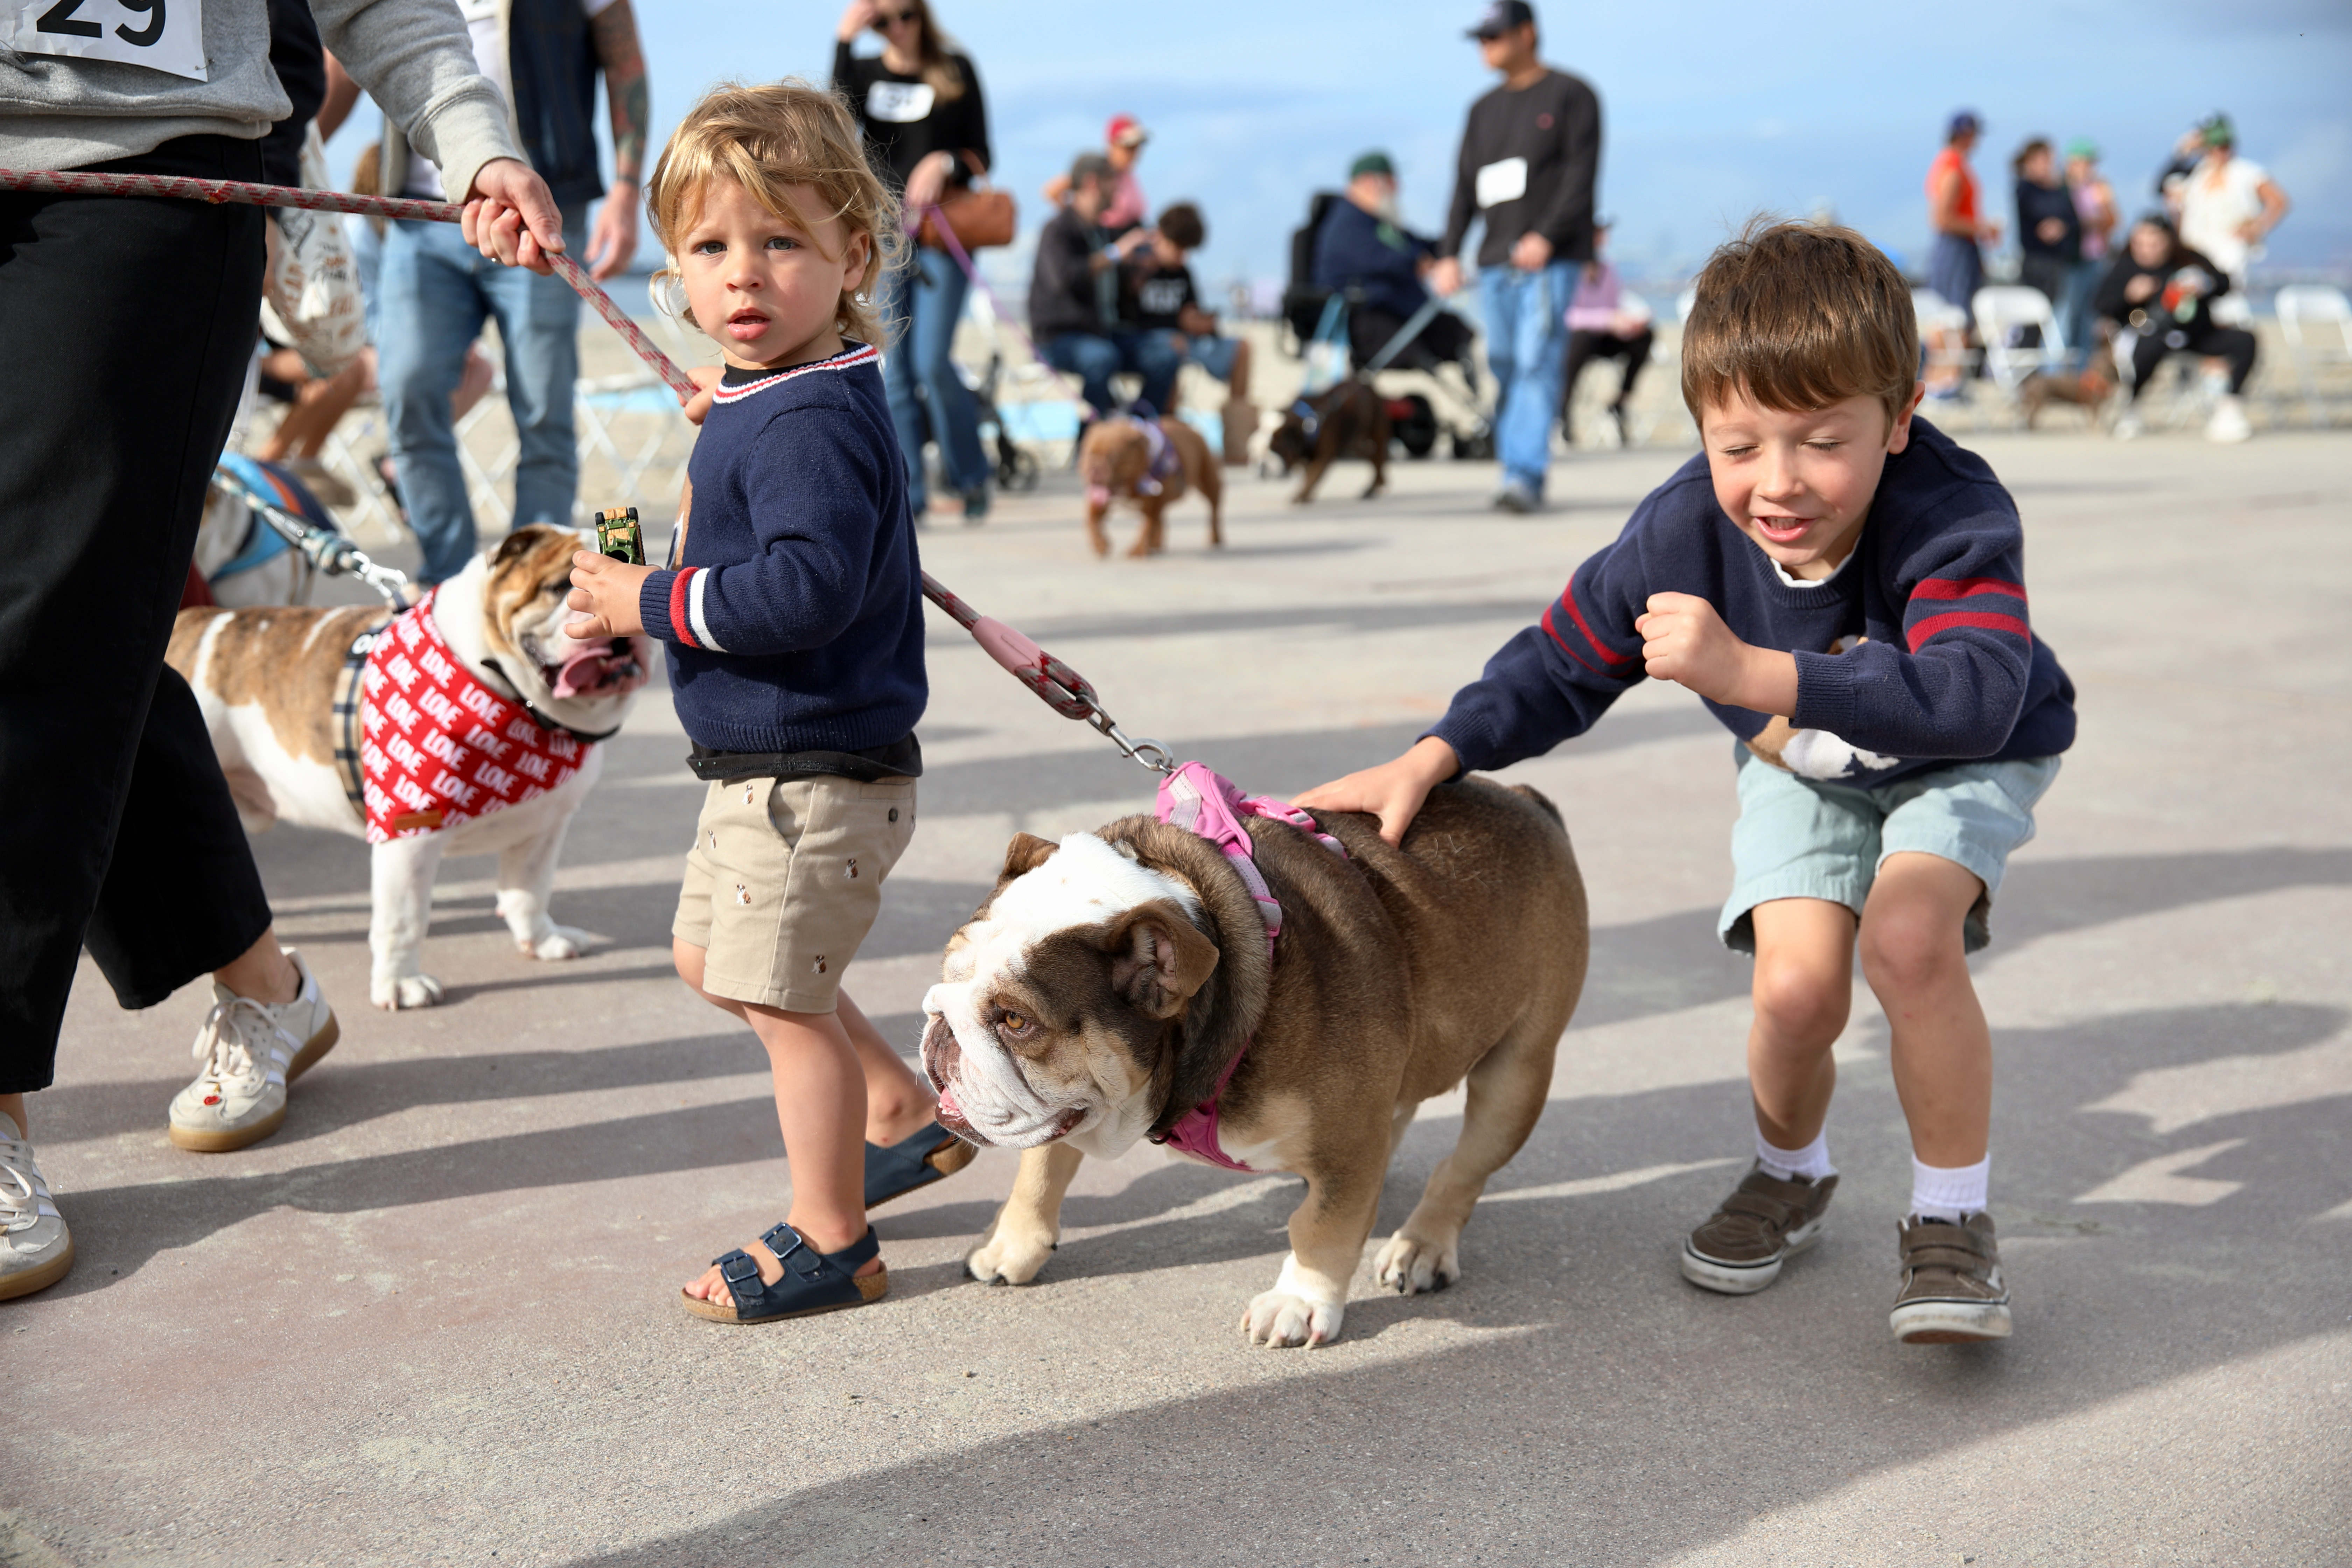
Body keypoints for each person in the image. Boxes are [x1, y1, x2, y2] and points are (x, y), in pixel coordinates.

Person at [1299, 220, 2076, 1348]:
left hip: (1966, 750)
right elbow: (1561, 656)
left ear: (1899, 416)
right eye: (1738, 444)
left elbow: (1974, 692)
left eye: (1822, 441)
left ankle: (1950, 1217)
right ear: (1701, 427)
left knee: (1906, 938)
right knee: (1795, 988)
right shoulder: (1678, 528)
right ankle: (1789, 1172)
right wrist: (1434, 753)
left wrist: (1757, 673)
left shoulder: (1950, 513)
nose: (1778, 482)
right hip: (1799, 758)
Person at [0, 0, 566, 1302]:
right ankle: (266, 982)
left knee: (35, 622)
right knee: (66, 621)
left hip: (145, 157)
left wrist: (472, 137)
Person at [562, 81, 971, 1325]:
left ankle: (831, 1234)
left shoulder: (799, 420)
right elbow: (774, 432)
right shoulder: (777, 392)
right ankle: (895, 1107)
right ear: (674, 269)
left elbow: (797, 592)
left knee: (782, 999)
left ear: (855, 254)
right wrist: (726, 414)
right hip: (775, 770)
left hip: (811, 775)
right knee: (714, 957)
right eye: (709, 247)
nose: (742, 277)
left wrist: (651, 598)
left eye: (780, 242)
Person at [371, 0, 651, 584]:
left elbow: (626, 65)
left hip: (543, 207)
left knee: (544, 406)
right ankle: (449, 586)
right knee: (407, 388)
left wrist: (627, 192)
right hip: (422, 213)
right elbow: (352, 35)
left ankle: (533, 584)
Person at [1429, 1, 1603, 513]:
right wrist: (1448, 254)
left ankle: (1522, 475)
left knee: (1535, 361)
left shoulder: (1573, 95)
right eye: (1481, 39)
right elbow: (1464, 188)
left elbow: (1581, 174)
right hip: (1493, 262)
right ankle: (1513, 465)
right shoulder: (1481, 111)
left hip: (1549, 261)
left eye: (1495, 36)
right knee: (1504, 363)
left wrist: (1547, 236)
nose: (1486, 47)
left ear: (1526, 34)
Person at [833, 0, 995, 523]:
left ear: (922, 14)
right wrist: (843, 41)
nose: (898, 28)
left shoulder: (955, 68)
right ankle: (911, 496)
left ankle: (970, 476)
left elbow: (982, 152)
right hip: (884, 230)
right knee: (895, 370)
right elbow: (833, 125)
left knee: (932, 362)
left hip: (943, 231)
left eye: (906, 15)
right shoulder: (863, 72)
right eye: (885, 20)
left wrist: (943, 159)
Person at [1029, 154, 1180, 418]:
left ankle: (1137, 434)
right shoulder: (1057, 230)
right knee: (1101, 358)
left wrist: (1143, 270)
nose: (1119, 192)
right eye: (1114, 184)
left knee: (1167, 353)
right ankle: (1090, 446)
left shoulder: (1101, 233)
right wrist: (1115, 255)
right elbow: (1064, 278)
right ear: (1092, 183)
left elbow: (1115, 287)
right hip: (1060, 337)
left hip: (1102, 333)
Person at [1312, 151, 1479, 382]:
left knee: (1459, 334)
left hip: (1406, 314)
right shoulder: (1346, 222)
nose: (1397, 188)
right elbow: (1380, 258)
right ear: (1370, 183)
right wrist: (1420, 264)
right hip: (1366, 323)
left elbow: (1420, 245)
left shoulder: (1380, 225)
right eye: (1391, 181)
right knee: (1416, 353)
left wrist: (1452, 249)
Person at [2095, 215, 2256, 444]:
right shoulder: (2125, 267)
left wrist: (2204, 285)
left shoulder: (2188, 260)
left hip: (2196, 333)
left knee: (2245, 341)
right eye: (2140, 244)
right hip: (2151, 334)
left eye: (2155, 244)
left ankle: (2229, 408)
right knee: (2147, 346)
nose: (2147, 250)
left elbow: (2225, 283)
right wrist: (2128, 296)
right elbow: (2102, 306)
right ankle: (2131, 406)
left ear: (2169, 241)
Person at [1122, 202, 1255, 458]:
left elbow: (1190, 312)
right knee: (1171, 349)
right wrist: (1139, 273)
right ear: (1160, 236)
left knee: (1242, 349)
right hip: (1148, 342)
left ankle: (1237, 445)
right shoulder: (1136, 266)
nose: (1182, 256)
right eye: (1177, 248)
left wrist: (1202, 323)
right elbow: (1125, 316)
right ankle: (1168, 439)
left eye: (1187, 250)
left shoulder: (1183, 272)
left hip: (1186, 339)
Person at [2166, 114, 2290, 300]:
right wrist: (2183, 151)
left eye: (2224, 146)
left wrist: (2258, 228)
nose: (2219, 152)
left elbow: (2279, 202)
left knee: (2226, 301)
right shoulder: (2196, 173)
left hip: (2228, 250)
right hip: (2194, 250)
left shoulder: (2247, 172)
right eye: (2213, 146)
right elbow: (2165, 189)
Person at [1558, 219, 1653, 446]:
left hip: (1605, 340)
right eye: (1597, 233)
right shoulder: (1567, 269)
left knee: (1645, 336)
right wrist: (1608, 319)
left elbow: (1617, 304)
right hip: (1577, 343)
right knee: (1580, 339)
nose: (1602, 239)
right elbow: (1566, 316)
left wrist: (1633, 320)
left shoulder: (1609, 268)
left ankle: (1620, 402)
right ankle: (1562, 411)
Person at [1926, 110, 2000, 321]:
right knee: (1956, 314)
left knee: (1954, 311)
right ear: (1966, 136)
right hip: (1956, 247)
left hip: (1957, 246)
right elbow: (1943, 219)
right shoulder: (1954, 169)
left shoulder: (1950, 163)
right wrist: (1984, 228)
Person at [2061, 138, 2117, 372]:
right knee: (2067, 313)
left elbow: (2112, 220)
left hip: (2095, 257)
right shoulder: (2062, 188)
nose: (2089, 167)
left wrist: (2092, 221)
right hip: (2070, 261)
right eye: (2085, 162)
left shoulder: (2099, 188)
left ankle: (2082, 368)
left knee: (2089, 315)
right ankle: (2059, 368)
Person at [1042, 113, 1150, 234]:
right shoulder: (1098, 171)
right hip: (1107, 239)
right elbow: (1051, 191)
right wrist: (1080, 220)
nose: (1134, 153)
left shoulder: (1127, 174)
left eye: (1137, 147)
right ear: (1113, 144)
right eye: (1129, 147)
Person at [2011, 137, 2079, 313]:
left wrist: (2062, 225)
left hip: (2059, 261)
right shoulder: (2026, 188)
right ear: (2030, 162)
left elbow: (2074, 220)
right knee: (2034, 314)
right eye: (2044, 160)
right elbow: (2038, 215)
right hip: (2036, 261)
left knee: (2056, 313)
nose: (2049, 165)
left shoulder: (2059, 190)